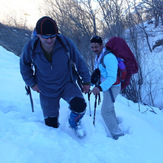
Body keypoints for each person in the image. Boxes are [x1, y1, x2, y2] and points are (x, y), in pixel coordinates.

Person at [20, 16, 91, 136]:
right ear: (38, 35)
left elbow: (79, 61)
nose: (49, 40)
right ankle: (58, 148)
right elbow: (24, 66)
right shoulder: (30, 48)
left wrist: (86, 82)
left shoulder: (65, 43)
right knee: (50, 125)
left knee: (80, 106)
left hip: (66, 84)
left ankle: (74, 122)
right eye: (45, 37)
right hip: (46, 89)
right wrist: (32, 83)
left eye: (53, 36)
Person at [90, 35, 124, 140]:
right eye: (92, 47)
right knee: (109, 108)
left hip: (112, 87)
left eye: (96, 47)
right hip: (107, 87)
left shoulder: (109, 57)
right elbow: (102, 72)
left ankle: (117, 134)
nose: (94, 49)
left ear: (102, 45)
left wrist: (99, 88)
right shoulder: (99, 56)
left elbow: (112, 78)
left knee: (105, 111)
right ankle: (117, 126)